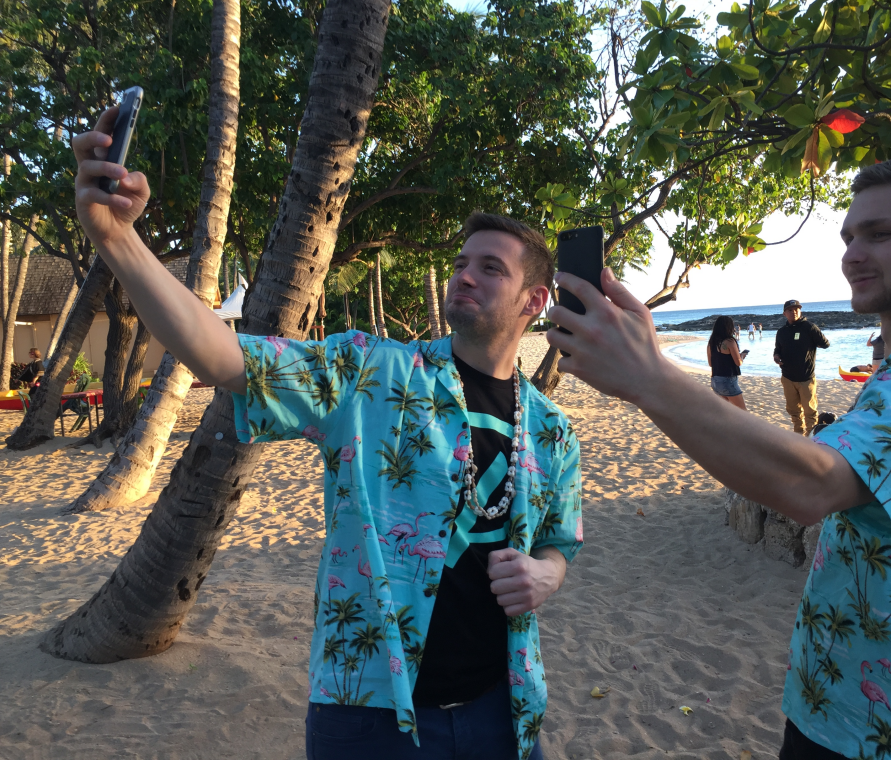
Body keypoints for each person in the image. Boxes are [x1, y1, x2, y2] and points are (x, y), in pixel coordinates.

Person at [72, 106, 583, 760]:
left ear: (534, 301)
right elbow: (224, 357)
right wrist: (118, 241)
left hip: (504, 711)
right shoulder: (369, 373)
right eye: (462, 262)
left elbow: (559, 539)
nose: (465, 275)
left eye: (491, 269)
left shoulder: (552, 429)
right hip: (371, 714)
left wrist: (546, 574)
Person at [547, 152, 891, 759]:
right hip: (843, 709)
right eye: (849, 235)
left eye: (881, 233)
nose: (851, 252)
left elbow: (813, 486)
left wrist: (651, 378)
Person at [772, 301, 829, 434]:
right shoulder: (782, 331)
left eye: (797, 309)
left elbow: (825, 344)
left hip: (806, 377)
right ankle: (798, 433)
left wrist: (809, 347)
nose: (794, 312)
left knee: (810, 411)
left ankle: (811, 436)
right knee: (793, 410)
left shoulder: (809, 327)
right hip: (787, 377)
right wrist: (776, 356)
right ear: (784, 313)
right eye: (790, 310)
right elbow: (777, 349)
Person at [706, 316, 746, 410]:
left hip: (715, 380)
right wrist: (742, 356)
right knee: (743, 413)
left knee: (725, 412)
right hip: (728, 380)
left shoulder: (711, 343)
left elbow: (711, 363)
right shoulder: (730, 341)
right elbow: (738, 363)